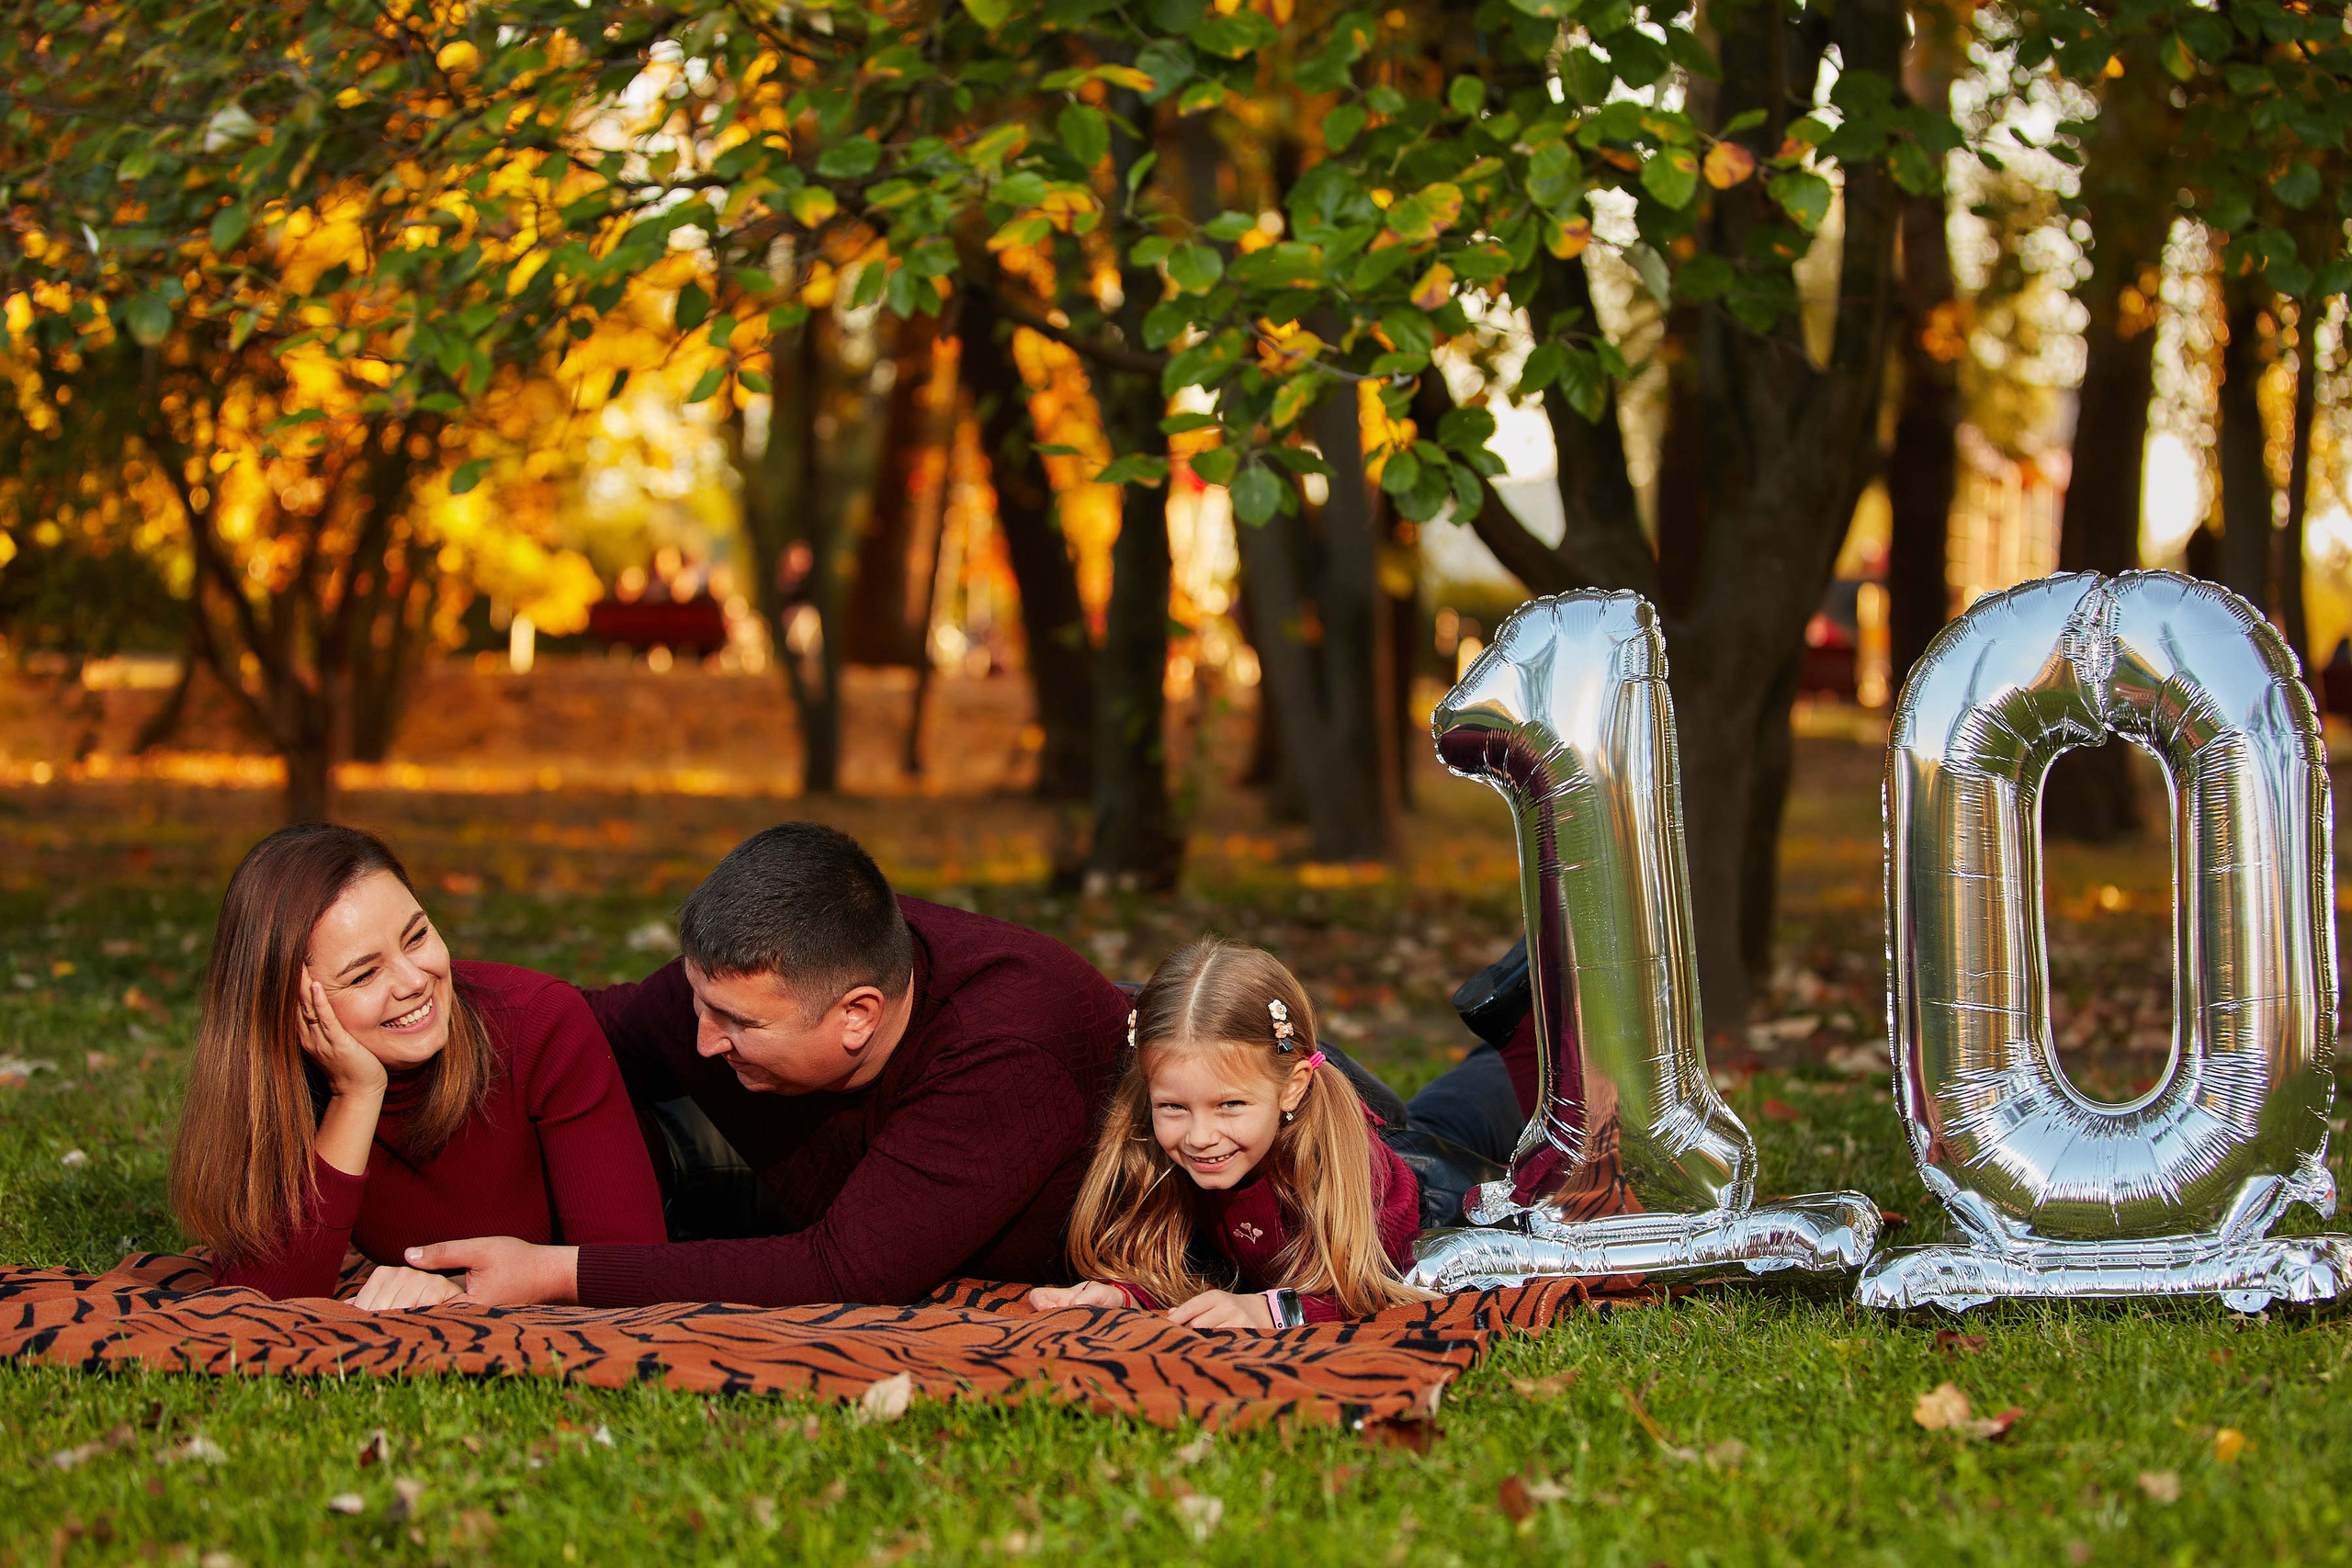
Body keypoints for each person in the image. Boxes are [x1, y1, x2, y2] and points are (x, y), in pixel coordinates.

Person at [406, 823, 1131, 1308]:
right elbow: (583, 1026)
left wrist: (550, 1272)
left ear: (858, 1015)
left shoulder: (1003, 1049)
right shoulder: (767, 971)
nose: (703, 1040)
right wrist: (410, 995)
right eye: (697, 1000)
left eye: (738, 1024)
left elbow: (846, 1271)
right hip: (808, 1188)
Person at [169, 825, 664, 1306]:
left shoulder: (539, 1021)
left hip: (693, 1176)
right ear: (290, 1006)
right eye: (364, 974)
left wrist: (465, 1295)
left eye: (416, 937)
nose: (414, 981)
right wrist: (355, 1095)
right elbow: (257, 1306)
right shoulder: (285, 1082)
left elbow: (627, 1274)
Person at [1027, 939, 1429, 1328]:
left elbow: (1370, 1287)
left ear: (1292, 1088)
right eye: (1173, 1107)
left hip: (1434, 1190)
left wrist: (1268, 1312)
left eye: (1230, 1104)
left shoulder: (1341, 1164)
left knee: (1442, 1120)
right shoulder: (1152, 1146)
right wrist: (1123, 1294)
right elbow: (1170, 1263)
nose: (1200, 1137)